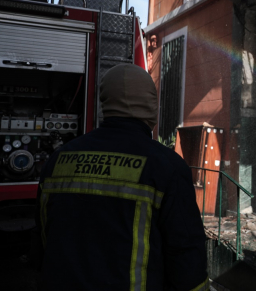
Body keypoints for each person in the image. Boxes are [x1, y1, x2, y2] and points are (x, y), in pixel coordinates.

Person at [32, 64, 208, 290]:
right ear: (151, 104)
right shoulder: (167, 166)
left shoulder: (58, 160)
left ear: (105, 103)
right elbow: (186, 256)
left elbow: (43, 239)